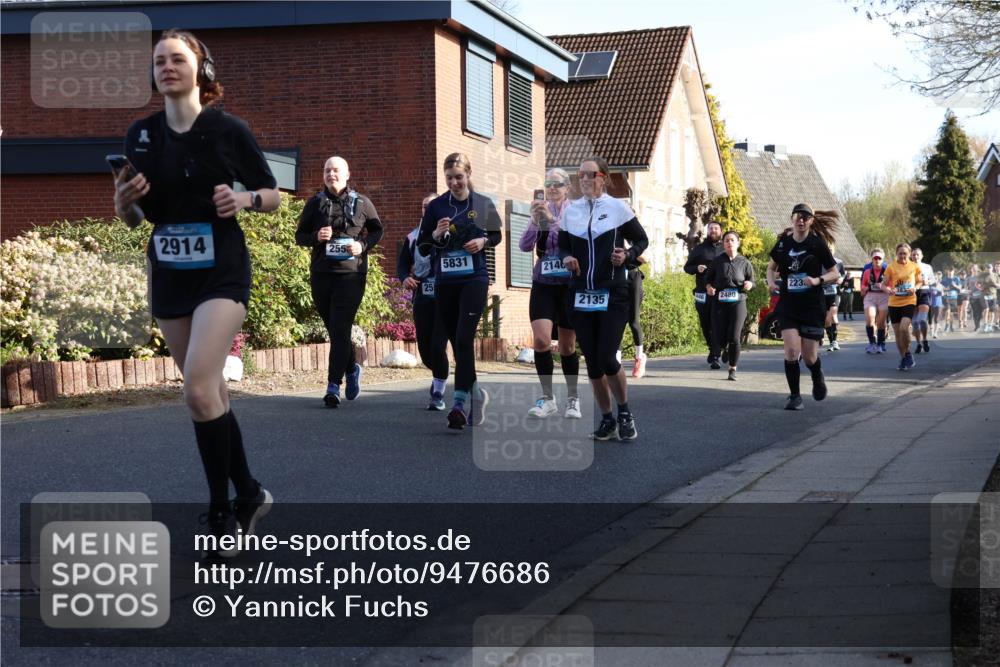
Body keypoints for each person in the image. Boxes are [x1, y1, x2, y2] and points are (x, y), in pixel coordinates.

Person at [114, 29, 277, 557]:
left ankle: (221, 512)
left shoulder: (229, 130)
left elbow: (273, 194)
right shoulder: (140, 136)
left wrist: (245, 197)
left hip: (221, 273)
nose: (166, 66)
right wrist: (124, 203)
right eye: (158, 60)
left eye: (177, 58)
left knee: (197, 389)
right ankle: (250, 492)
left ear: (201, 70)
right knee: (210, 395)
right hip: (169, 271)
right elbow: (137, 217)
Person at [559, 157, 648, 440]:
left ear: (604, 178)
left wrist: (628, 255)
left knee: (608, 356)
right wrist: (567, 257)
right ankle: (607, 418)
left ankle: (624, 412)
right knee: (594, 362)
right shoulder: (570, 212)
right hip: (581, 294)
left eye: (590, 174)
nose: (584, 179)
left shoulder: (617, 208)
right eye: (580, 175)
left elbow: (642, 239)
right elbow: (561, 246)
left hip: (613, 292)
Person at [418, 153, 502, 430]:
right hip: (446, 282)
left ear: (468, 175)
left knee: (464, 338)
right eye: (449, 178)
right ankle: (478, 397)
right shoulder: (437, 206)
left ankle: (458, 404)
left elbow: (497, 235)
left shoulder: (483, 203)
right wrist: (436, 235)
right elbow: (422, 247)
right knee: (458, 344)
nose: (454, 182)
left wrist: (483, 241)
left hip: (474, 279)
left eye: (459, 177)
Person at [296, 156, 384, 407]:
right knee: (335, 329)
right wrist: (316, 236)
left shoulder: (363, 203)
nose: (330, 174)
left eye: (335, 170)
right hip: (322, 274)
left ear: (347, 174)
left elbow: (377, 230)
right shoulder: (315, 203)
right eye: (327, 170)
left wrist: (362, 245)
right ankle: (352, 368)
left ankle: (333, 386)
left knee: (341, 326)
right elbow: (299, 236)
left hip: (351, 275)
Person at [518, 169, 581, 419]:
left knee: (567, 346)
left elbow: (575, 242)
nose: (553, 188)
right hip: (543, 282)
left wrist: (551, 221)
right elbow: (524, 245)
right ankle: (547, 398)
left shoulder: (575, 211)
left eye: (558, 184)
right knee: (542, 341)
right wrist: (536, 220)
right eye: (548, 184)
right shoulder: (539, 210)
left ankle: (573, 399)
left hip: (568, 285)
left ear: (567, 188)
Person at [766, 203, 841, 411]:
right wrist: (771, 282)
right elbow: (771, 268)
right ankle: (795, 396)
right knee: (791, 350)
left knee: (809, 356)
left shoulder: (817, 244)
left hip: (812, 307)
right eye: (798, 216)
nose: (801, 220)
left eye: (805, 217)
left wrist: (817, 280)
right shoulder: (783, 244)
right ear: (792, 219)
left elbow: (835, 273)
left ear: (811, 221)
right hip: (789, 305)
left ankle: (817, 375)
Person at [398, 193, 450, 410]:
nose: (427, 211)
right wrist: (405, 278)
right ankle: (438, 374)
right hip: (422, 297)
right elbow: (402, 265)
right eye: (423, 207)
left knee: (438, 346)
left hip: (446, 297)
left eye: (431, 207)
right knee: (426, 350)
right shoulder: (412, 237)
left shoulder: (452, 234)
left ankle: (438, 391)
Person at [705, 230, 755, 381]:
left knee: (734, 336)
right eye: (726, 240)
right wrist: (709, 287)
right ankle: (725, 348)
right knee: (719, 337)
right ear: (723, 244)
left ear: (738, 243)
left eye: (732, 240)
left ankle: (732, 369)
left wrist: (749, 284)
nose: (729, 243)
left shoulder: (745, 262)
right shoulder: (717, 261)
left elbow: (753, 281)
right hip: (719, 302)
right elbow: (707, 279)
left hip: (738, 301)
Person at [684, 221, 724, 368]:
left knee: (717, 323)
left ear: (721, 231)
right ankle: (712, 349)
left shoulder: (725, 249)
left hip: (720, 292)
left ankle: (716, 354)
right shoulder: (699, 249)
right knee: (705, 323)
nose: (713, 231)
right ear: (707, 231)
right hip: (702, 292)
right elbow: (687, 268)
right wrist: (697, 268)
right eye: (710, 228)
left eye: (716, 228)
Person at [883, 243, 923, 370]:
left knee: (904, 328)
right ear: (896, 253)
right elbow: (882, 284)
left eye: (905, 253)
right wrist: (888, 290)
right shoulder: (891, 267)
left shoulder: (914, 266)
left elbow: (920, 281)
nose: (902, 256)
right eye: (900, 253)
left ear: (909, 254)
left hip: (909, 300)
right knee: (897, 334)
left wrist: (915, 288)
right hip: (894, 302)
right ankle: (904, 357)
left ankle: (908, 353)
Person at [860, 248, 890, 354]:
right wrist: (865, 288)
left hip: (883, 297)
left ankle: (880, 344)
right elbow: (862, 285)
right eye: (875, 258)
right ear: (872, 260)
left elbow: (891, 286)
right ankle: (871, 343)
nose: (877, 260)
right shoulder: (867, 271)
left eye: (879, 258)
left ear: (883, 260)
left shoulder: (887, 271)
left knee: (881, 322)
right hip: (870, 297)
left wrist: (883, 286)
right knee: (870, 319)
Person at [626, 251, 650, 378]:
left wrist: (628, 248)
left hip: (633, 277)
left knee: (633, 321)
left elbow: (645, 258)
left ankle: (639, 357)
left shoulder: (632, 237)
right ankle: (616, 361)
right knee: (616, 323)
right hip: (614, 279)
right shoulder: (609, 235)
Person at [909, 247, 936, 353]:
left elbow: (933, 279)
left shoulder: (927, 267)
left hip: (924, 292)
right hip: (911, 294)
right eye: (914, 255)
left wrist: (927, 281)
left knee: (921, 319)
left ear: (921, 256)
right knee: (915, 322)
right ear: (911, 256)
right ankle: (919, 343)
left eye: (917, 255)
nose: (915, 256)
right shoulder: (908, 266)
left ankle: (925, 339)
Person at [822, 242, 847, 351]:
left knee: (833, 315)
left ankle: (835, 341)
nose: (829, 251)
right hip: (823, 292)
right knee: (827, 320)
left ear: (834, 250)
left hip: (834, 292)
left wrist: (840, 279)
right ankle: (831, 340)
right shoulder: (820, 262)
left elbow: (842, 275)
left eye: (831, 249)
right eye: (827, 249)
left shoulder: (839, 262)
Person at [941, 267, 961, 333]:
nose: (950, 272)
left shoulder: (956, 278)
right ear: (947, 272)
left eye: (951, 271)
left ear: (953, 272)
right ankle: (947, 325)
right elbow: (940, 286)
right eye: (949, 271)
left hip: (954, 297)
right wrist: (945, 288)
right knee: (948, 311)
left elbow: (960, 288)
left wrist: (955, 285)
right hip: (946, 298)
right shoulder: (944, 279)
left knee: (951, 313)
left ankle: (951, 326)